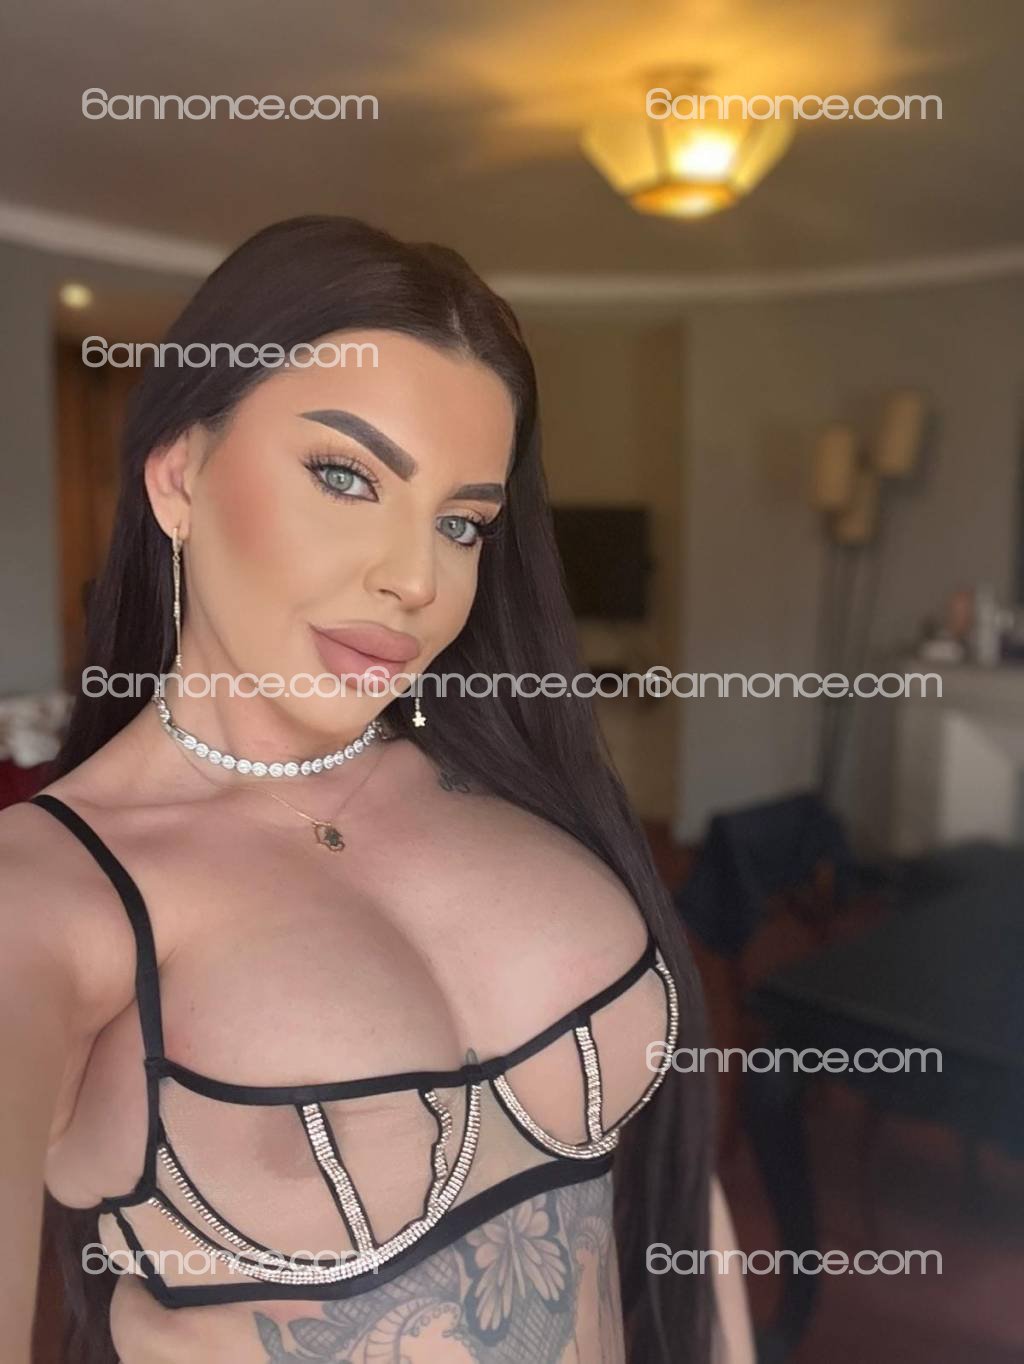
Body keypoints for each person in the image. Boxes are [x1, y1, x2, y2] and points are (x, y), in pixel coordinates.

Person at [1, 217, 752, 1364]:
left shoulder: (517, 777)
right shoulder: (48, 900)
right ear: (178, 476)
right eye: (345, 475)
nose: (416, 577)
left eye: (460, 522)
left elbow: (672, 1189)